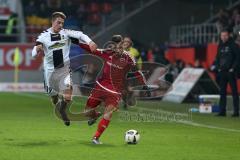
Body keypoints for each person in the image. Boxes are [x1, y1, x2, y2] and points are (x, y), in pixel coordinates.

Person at [79, 35, 150, 144]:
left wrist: (145, 85)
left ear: (123, 48)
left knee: (108, 113)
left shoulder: (129, 58)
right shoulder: (107, 53)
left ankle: (96, 138)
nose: (117, 50)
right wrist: (77, 42)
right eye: (116, 48)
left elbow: (137, 72)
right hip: (100, 87)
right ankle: (95, 115)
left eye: (120, 48)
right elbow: (91, 49)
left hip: (114, 91)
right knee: (86, 113)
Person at [32, 12, 97, 126]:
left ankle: (62, 109)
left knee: (67, 96)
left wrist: (90, 42)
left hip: (64, 69)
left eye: (62, 23)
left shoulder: (66, 33)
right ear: (52, 22)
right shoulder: (44, 36)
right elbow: (35, 48)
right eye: (58, 22)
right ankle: (59, 106)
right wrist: (36, 51)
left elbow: (81, 35)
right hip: (50, 72)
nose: (61, 25)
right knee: (53, 97)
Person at [214, 29, 239, 117]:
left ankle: (236, 112)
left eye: (225, 35)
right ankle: (222, 111)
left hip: (231, 72)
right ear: (220, 36)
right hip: (222, 72)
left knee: (234, 93)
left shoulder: (234, 45)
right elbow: (217, 58)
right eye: (222, 36)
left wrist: (233, 68)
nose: (223, 37)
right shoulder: (220, 46)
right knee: (222, 92)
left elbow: (238, 58)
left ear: (228, 36)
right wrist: (218, 67)